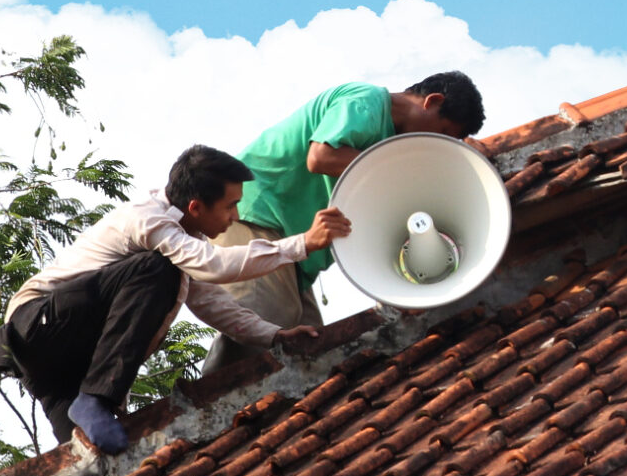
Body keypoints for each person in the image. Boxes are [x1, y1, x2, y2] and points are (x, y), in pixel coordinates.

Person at [0, 145, 350, 453]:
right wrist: (302, 243)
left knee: (96, 460)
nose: (235, 217)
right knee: (156, 268)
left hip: (60, 368)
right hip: (37, 327)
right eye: (229, 206)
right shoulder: (149, 222)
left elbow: (214, 304)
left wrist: (274, 336)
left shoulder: (181, 247)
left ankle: (92, 409)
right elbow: (215, 265)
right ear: (195, 207)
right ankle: (97, 399)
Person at [205, 72, 486, 372]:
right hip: (254, 219)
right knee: (262, 327)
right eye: (441, 132)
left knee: (307, 357)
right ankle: (206, 410)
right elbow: (321, 156)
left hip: (293, 249)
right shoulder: (366, 102)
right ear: (433, 102)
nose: (433, 143)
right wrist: (400, 170)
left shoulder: (387, 143)